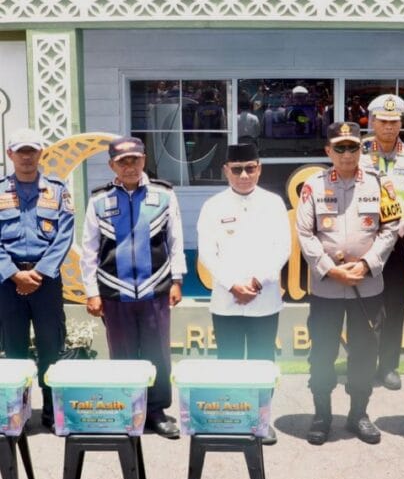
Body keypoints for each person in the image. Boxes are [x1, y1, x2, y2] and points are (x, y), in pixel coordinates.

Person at [295, 121, 402, 445]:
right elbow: (305, 233)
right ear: (328, 150)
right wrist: (330, 268)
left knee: (364, 353)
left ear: (361, 149)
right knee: (322, 353)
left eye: (352, 147)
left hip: (367, 286)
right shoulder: (313, 186)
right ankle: (322, 414)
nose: (346, 153)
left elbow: (391, 227)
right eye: (339, 147)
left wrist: (367, 263)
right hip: (328, 287)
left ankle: (358, 414)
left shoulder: (379, 184)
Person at [81, 136, 187, 439]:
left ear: (144, 160)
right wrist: (91, 291)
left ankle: (156, 411)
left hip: (156, 287)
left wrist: (177, 280)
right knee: (122, 352)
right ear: (112, 164)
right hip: (114, 290)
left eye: (135, 160)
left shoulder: (164, 194)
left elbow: (176, 239)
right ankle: (127, 408)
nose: (130, 166)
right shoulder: (99, 199)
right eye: (123, 161)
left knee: (157, 351)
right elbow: (89, 248)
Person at [195, 139, 290, 379]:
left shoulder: (273, 203)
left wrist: (257, 283)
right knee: (229, 365)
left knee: (263, 364)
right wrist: (233, 285)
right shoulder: (212, 206)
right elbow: (207, 253)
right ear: (226, 170)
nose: (244, 175)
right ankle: (233, 415)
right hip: (227, 301)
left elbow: (282, 249)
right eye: (237, 169)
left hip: (265, 299)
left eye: (250, 167)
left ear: (259, 168)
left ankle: (261, 416)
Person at [0, 129, 74, 430]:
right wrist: (13, 273)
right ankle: (17, 410)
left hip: (46, 280)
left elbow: (65, 235)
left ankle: (51, 411)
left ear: (41, 153)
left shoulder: (57, 190)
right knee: (13, 346)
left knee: (50, 345)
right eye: (21, 151)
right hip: (8, 280)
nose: (27, 156)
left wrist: (40, 272)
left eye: (32, 150)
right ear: (10, 155)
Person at [362, 92, 404, 390]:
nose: (388, 126)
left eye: (394, 121)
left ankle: (388, 366)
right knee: (364, 303)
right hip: (365, 238)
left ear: (401, 123)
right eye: (383, 121)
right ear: (372, 121)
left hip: (398, 240)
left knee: (396, 302)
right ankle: (363, 361)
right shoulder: (357, 151)